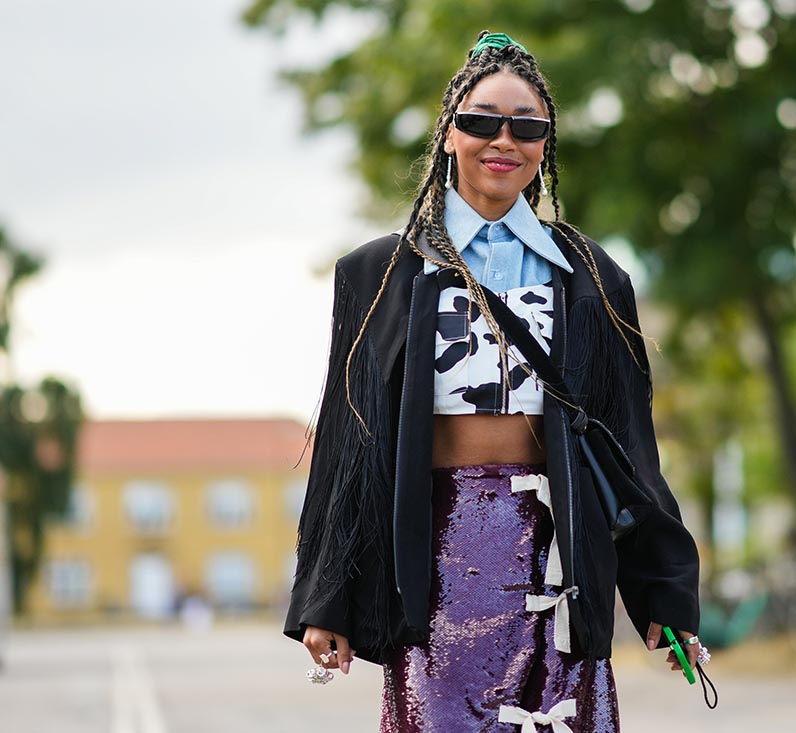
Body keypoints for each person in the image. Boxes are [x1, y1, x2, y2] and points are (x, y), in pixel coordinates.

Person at [284, 30, 703, 731]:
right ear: (450, 133)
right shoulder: (378, 272)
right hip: (437, 566)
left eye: (527, 125)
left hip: (559, 557)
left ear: (545, 142)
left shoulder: (594, 277)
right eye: (481, 121)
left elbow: (630, 446)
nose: (502, 140)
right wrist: (325, 596)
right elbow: (346, 447)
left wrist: (667, 593)